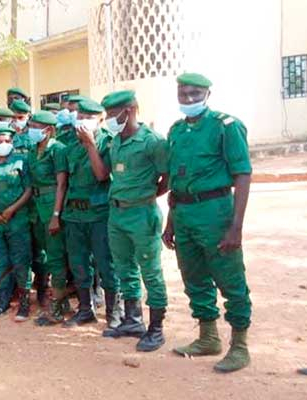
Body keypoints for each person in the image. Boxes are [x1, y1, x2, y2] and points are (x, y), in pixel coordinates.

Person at [164, 73, 253, 372]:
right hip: (184, 213)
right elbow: (176, 182)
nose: (188, 99)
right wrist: (171, 222)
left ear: (207, 94)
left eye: (194, 94)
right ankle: (208, 337)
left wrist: (235, 227)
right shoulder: (176, 130)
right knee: (194, 276)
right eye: (183, 94)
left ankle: (239, 346)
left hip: (215, 212)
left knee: (230, 279)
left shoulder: (226, 126)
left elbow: (242, 174)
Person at [99, 90, 169, 352]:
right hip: (117, 214)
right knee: (124, 268)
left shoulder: (152, 141)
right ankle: (133, 320)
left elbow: (167, 177)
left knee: (151, 272)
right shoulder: (116, 141)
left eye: (111, 114)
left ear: (128, 111)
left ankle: (156, 328)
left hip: (142, 215)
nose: (108, 119)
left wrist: (148, 195)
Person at [61, 100, 121, 328]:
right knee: (78, 264)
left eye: (89, 116)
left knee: (107, 264)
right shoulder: (69, 143)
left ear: (101, 119)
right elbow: (65, 180)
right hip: (74, 214)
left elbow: (101, 175)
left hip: (99, 214)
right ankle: (85, 309)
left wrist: (91, 145)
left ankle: (114, 313)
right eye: (81, 115)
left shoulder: (107, 141)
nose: (83, 120)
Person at [0, 127, 33, 318]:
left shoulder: (21, 161)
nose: (3, 145)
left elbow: (29, 189)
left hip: (17, 220)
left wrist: (12, 209)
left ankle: (24, 302)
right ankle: (3, 300)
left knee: (21, 261)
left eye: (7, 141)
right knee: (0, 262)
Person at [24, 111, 69, 326]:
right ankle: (56, 297)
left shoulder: (57, 149)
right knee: (43, 255)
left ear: (49, 130)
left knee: (56, 256)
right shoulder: (33, 151)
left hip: (52, 205)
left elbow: (61, 184)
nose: (31, 130)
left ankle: (58, 307)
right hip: (36, 207)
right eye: (30, 125)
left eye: (35, 126)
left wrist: (56, 215)